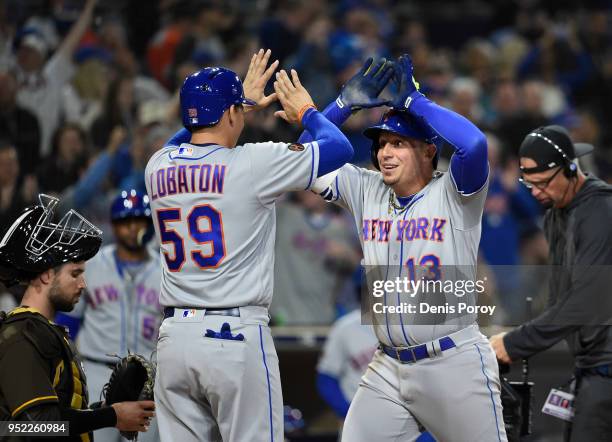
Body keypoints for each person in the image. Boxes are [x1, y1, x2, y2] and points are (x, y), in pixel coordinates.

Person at [145, 49, 354, 441]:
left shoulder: (158, 166)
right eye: (237, 110)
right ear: (228, 114)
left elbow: (182, 140)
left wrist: (238, 103)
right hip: (234, 336)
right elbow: (339, 148)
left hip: (175, 338)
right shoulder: (253, 163)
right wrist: (308, 111)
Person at [308, 54, 507, 441]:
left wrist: (416, 102)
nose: (385, 152)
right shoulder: (366, 188)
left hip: (452, 361)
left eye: (398, 143)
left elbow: (474, 144)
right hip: (387, 367)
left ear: (428, 151)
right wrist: (342, 106)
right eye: (382, 143)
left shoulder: (456, 194)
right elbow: (302, 159)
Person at [489, 125, 612, 442]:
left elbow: (586, 301)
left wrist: (515, 342)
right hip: (590, 365)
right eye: (528, 183)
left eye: (542, 182)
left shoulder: (600, 212)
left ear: (571, 169)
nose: (534, 192)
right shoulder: (555, 214)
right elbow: (561, 297)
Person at [0, 194, 155, 441]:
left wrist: (100, 412)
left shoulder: (44, 331)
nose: (84, 283)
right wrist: (110, 416)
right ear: (45, 275)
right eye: (75, 274)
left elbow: (56, 416)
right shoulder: (21, 335)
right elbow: (34, 427)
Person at [55, 189, 162, 442]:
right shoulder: (91, 265)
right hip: (96, 373)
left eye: (140, 220)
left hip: (146, 382)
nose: (133, 227)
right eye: (126, 221)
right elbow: (68, 323)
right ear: (114, 225)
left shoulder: (164, 272)